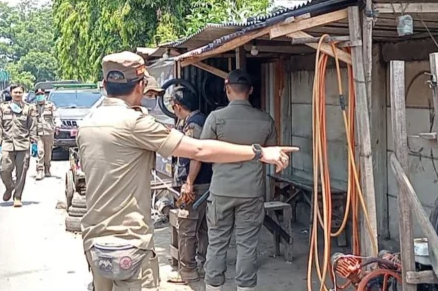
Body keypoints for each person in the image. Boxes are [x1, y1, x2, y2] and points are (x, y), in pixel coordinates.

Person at [77, 51, 296, 291]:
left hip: (94, 240)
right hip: (130, 243)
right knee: (245, 243)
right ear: (140, 85)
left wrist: (189, 181)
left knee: (217, 242)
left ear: (106, 84)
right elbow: (199, 150)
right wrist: (259, 152)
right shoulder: (136, 123)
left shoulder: (88, 122)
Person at [202, 69, 278, 291]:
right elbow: (270, 155)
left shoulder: (215, 118)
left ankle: (213, 286)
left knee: (217, 243)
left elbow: (203, 151)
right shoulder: (265, 119)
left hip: (221, 190)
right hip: (252, 192)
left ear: (227, 89)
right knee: (247, 246)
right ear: (251, 91)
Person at [169, 86, 211, 285]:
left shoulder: (194, 124)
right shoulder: (197, 120)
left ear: (177, 106)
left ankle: (188, 271)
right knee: (203, 227)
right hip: (204, 183)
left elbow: (196, 156)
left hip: (196, 185)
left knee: (187, 227)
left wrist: (188, 183)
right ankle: (203, 265)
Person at [0, 84, 39, 208]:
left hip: (23, 145)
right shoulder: (3, 108)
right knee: (4, 169)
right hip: (7, 144)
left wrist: (34, 143)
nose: (17, 94)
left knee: (22, 172)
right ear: (11, 93)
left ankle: (17, 196)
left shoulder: (29, 109)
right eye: (15, 92)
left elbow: (33, 127)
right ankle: (9, 187)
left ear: (23, 94)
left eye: (20, 92)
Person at [34, 88, 59, 180]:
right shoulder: (33, 107)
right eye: (38, 94)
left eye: (41, 94)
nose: (40, 96)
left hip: (49, 132)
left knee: (48, 152)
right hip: (38, 133)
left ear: (44, 95)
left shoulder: (50, 105)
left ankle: (47, 168)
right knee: (40, 152)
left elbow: (56, 116)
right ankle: (39, 170)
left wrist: (57, 125)